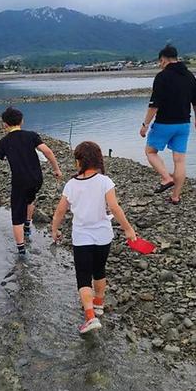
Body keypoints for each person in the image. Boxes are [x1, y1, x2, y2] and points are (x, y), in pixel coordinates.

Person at [51, 141, 136, 335]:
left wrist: (54, 230)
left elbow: (60, 212)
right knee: (99, 270)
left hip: (82, 237)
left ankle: (90, 317)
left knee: (83, 277)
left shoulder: (71, 185)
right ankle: (99, 303)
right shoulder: (105, 181)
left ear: (79, 162)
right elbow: (114, 207)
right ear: (97, 159)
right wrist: (128, 229)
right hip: (103, 236)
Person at [0, 106, 62, 255]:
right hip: (36, 179)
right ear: (22, 121)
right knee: (30, 199)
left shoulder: (4, 142)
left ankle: (21, 250)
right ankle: (27, 225)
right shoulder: (31, 135)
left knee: (16, 217)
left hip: (20, 182)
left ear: (4, 124)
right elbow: (47, 151)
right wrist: (56, 170)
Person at [139, 44, 196, 205]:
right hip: (183, 124)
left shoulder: (162, 77)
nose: (160, 65)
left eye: (160, 61)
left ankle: (166, 178)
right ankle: (175, 197)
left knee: (150, 151)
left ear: (164, 59)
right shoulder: (190, 76)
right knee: (179, 160)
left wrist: (145, 124)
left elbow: (154, 104)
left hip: (164, 123)